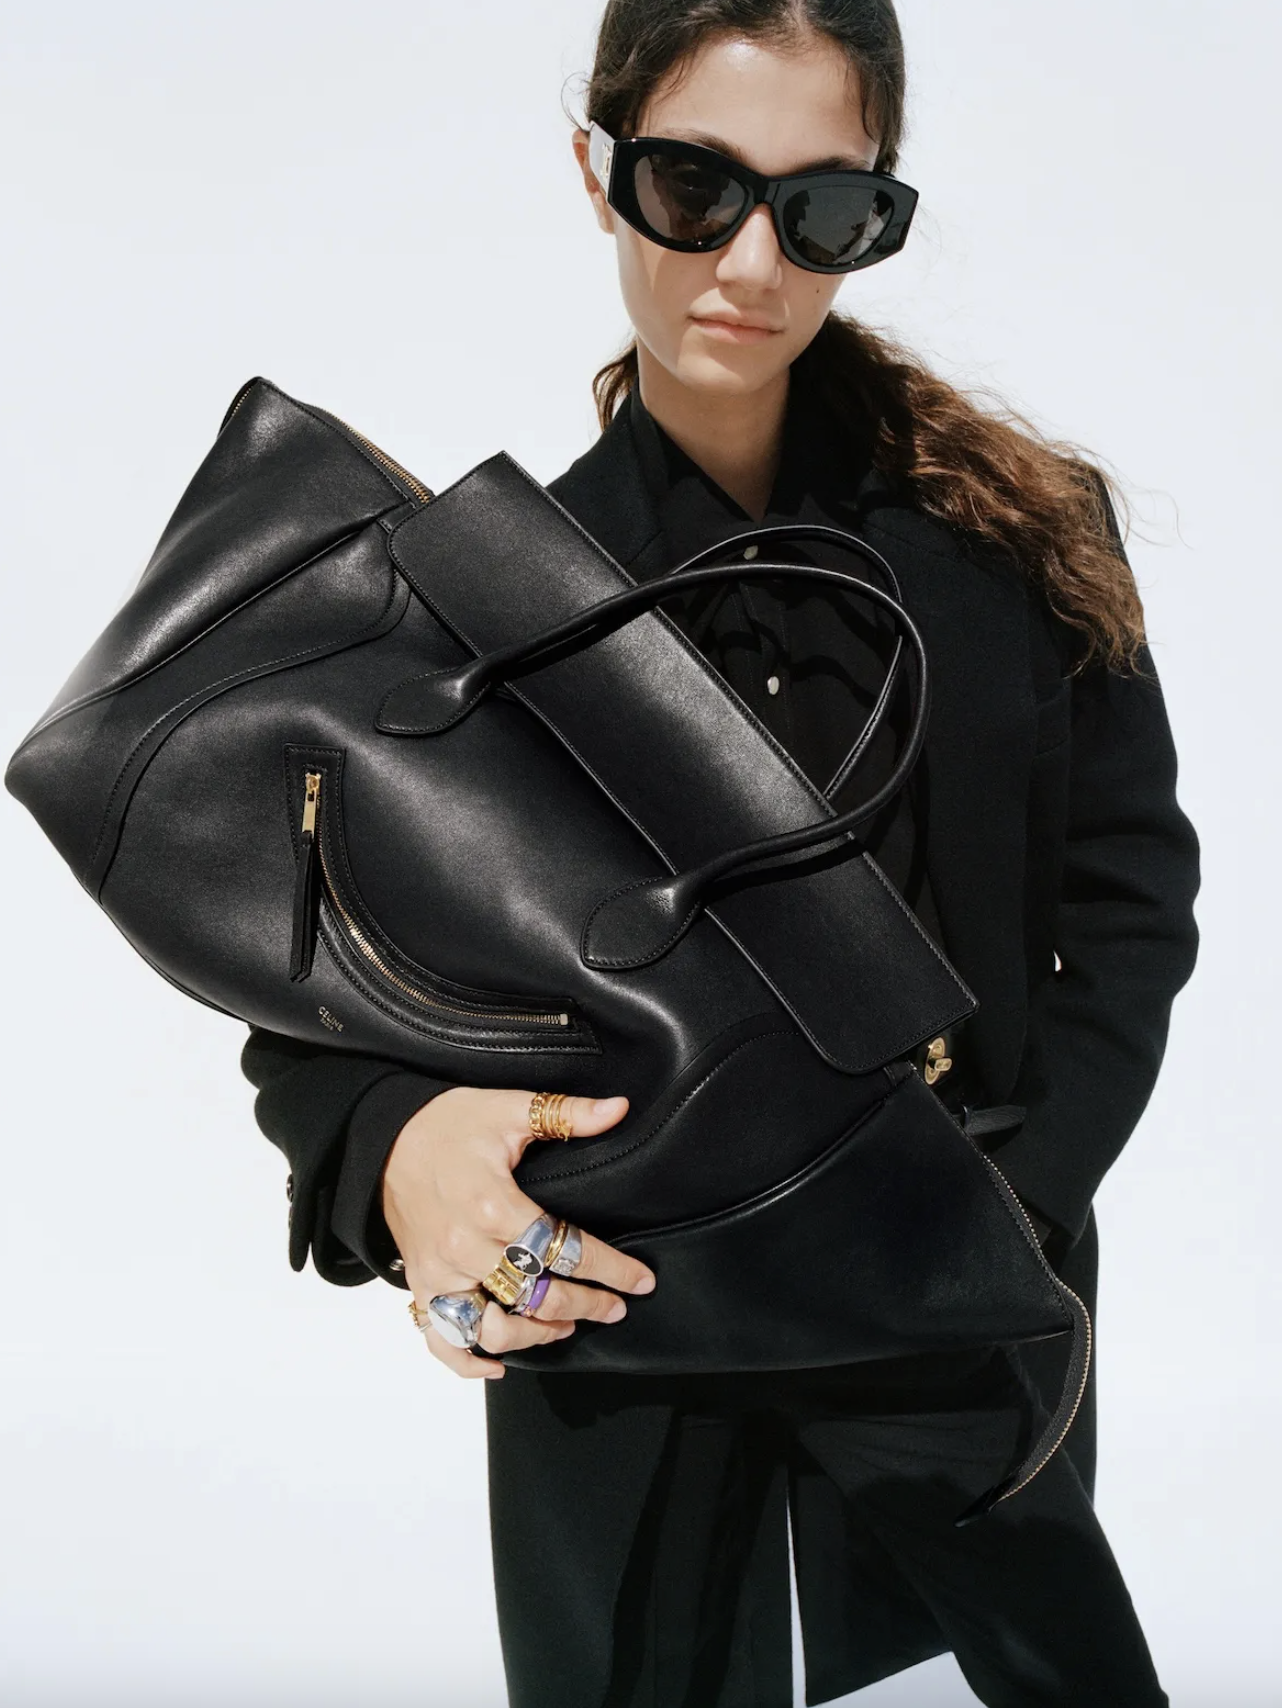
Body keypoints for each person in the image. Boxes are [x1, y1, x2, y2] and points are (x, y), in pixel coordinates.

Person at [241, 3, 1201, 1703]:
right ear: (596, 171)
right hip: (621, 1321)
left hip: (953, 1306)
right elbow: (323, 978)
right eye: (693, 187)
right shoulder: (483, 603)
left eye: (822, 209)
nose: (751, 262)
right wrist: (400, 1148)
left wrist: (1011, 1208)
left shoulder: (1019, 540)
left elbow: (1127, 907)